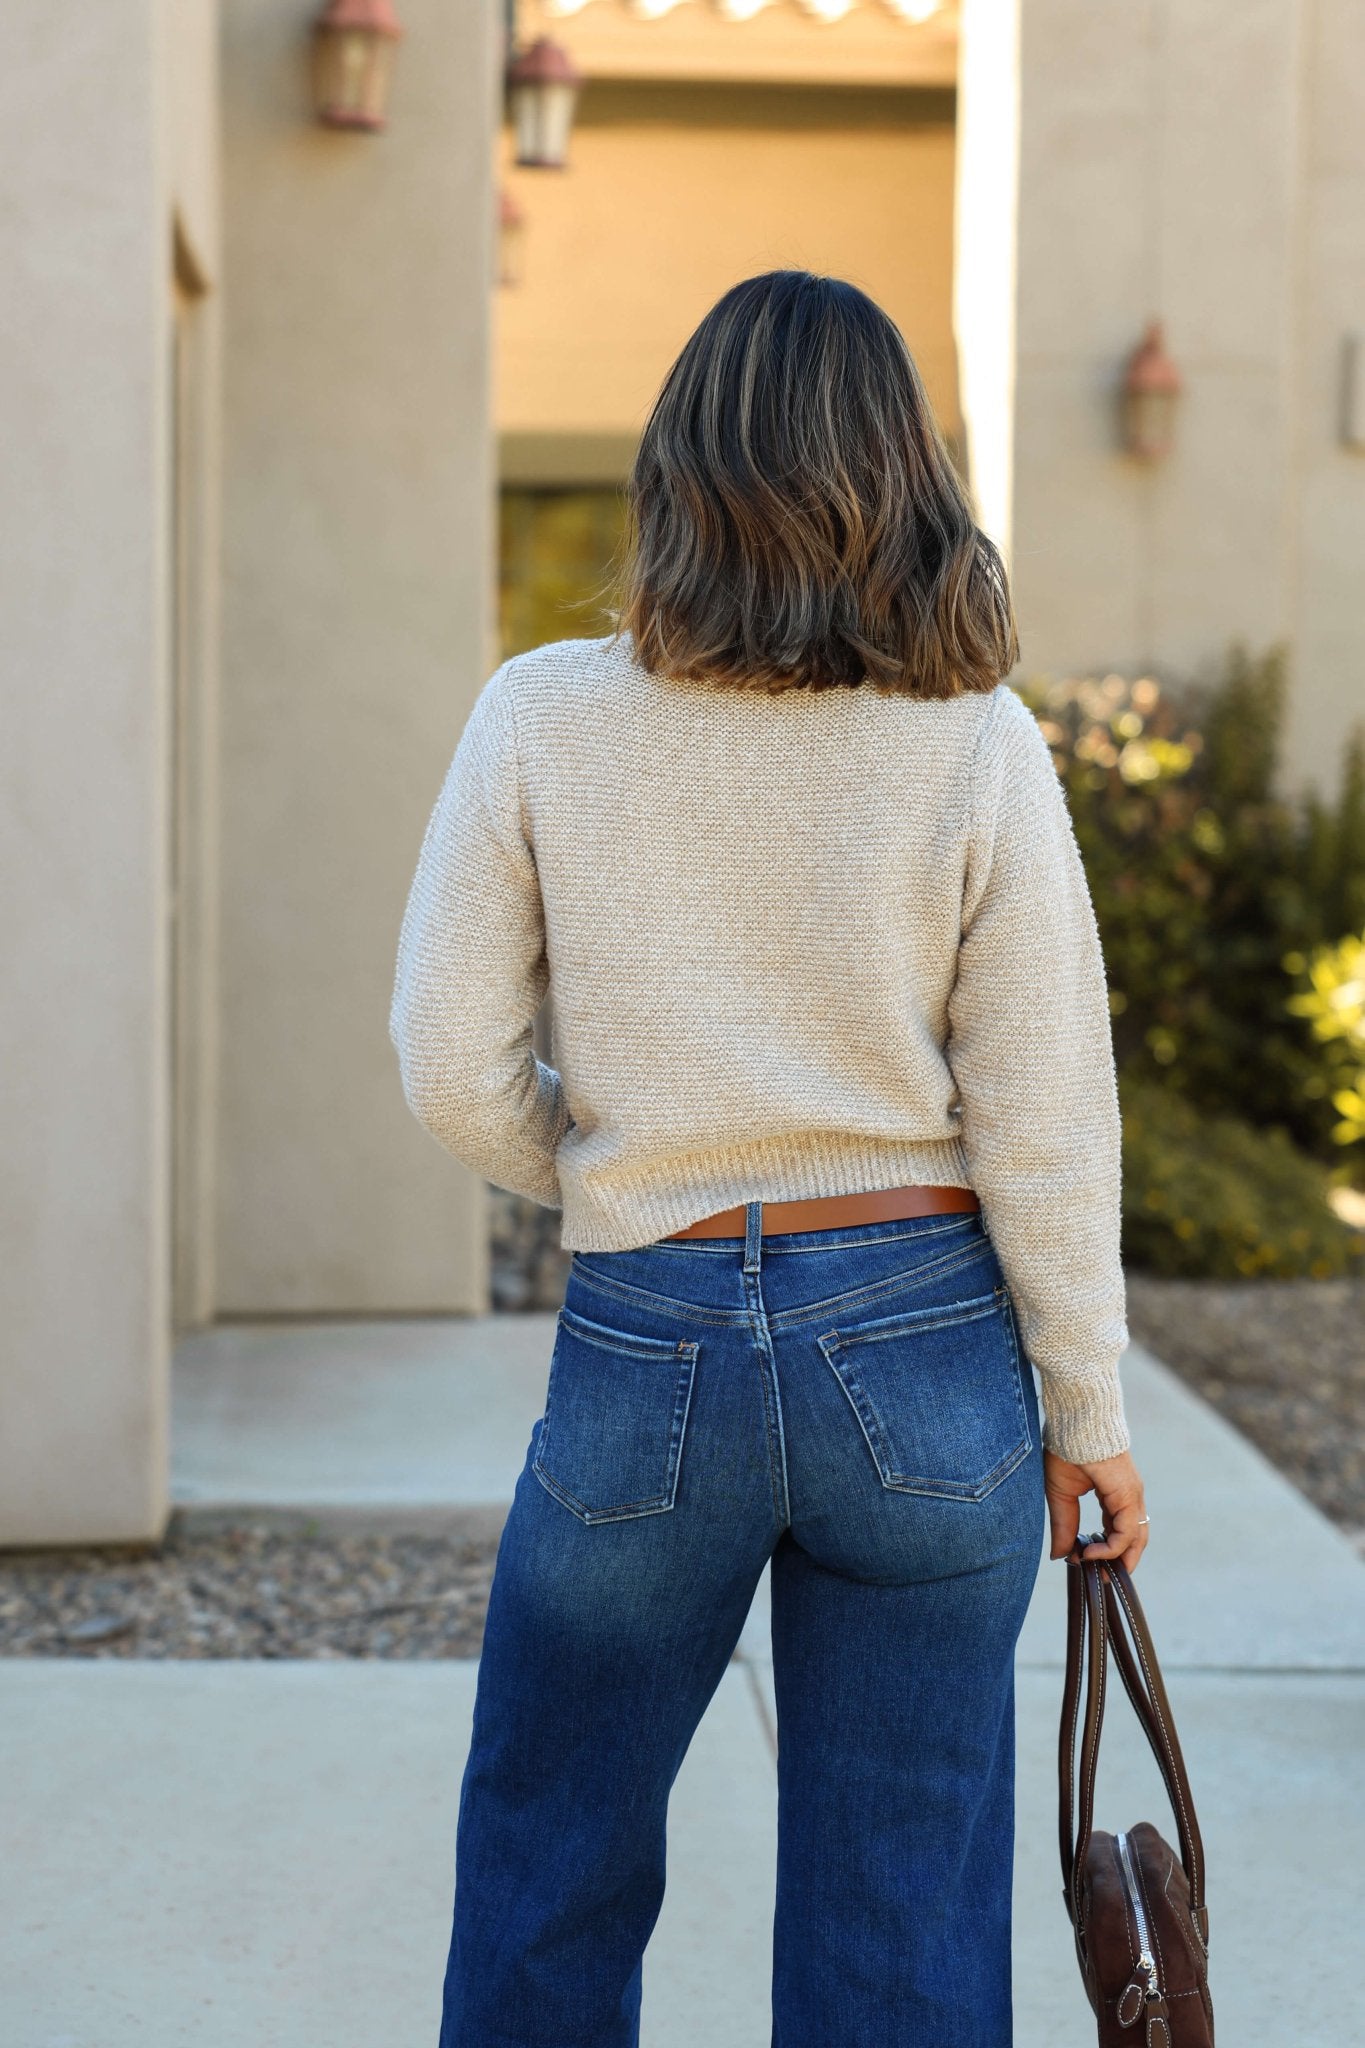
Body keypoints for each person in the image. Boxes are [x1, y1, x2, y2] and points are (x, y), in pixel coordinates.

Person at [388, 269, 1148, 2048]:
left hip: (647, 1335)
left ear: (677, 471)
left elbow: (446, 1062)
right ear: (903, 473)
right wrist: (1088, 1409)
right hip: (929, 1351)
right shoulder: (971, 742)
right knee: (901, 1910)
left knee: (547, 1855)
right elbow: (1046, 1108)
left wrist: (608, 1173)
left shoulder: (540, 718)